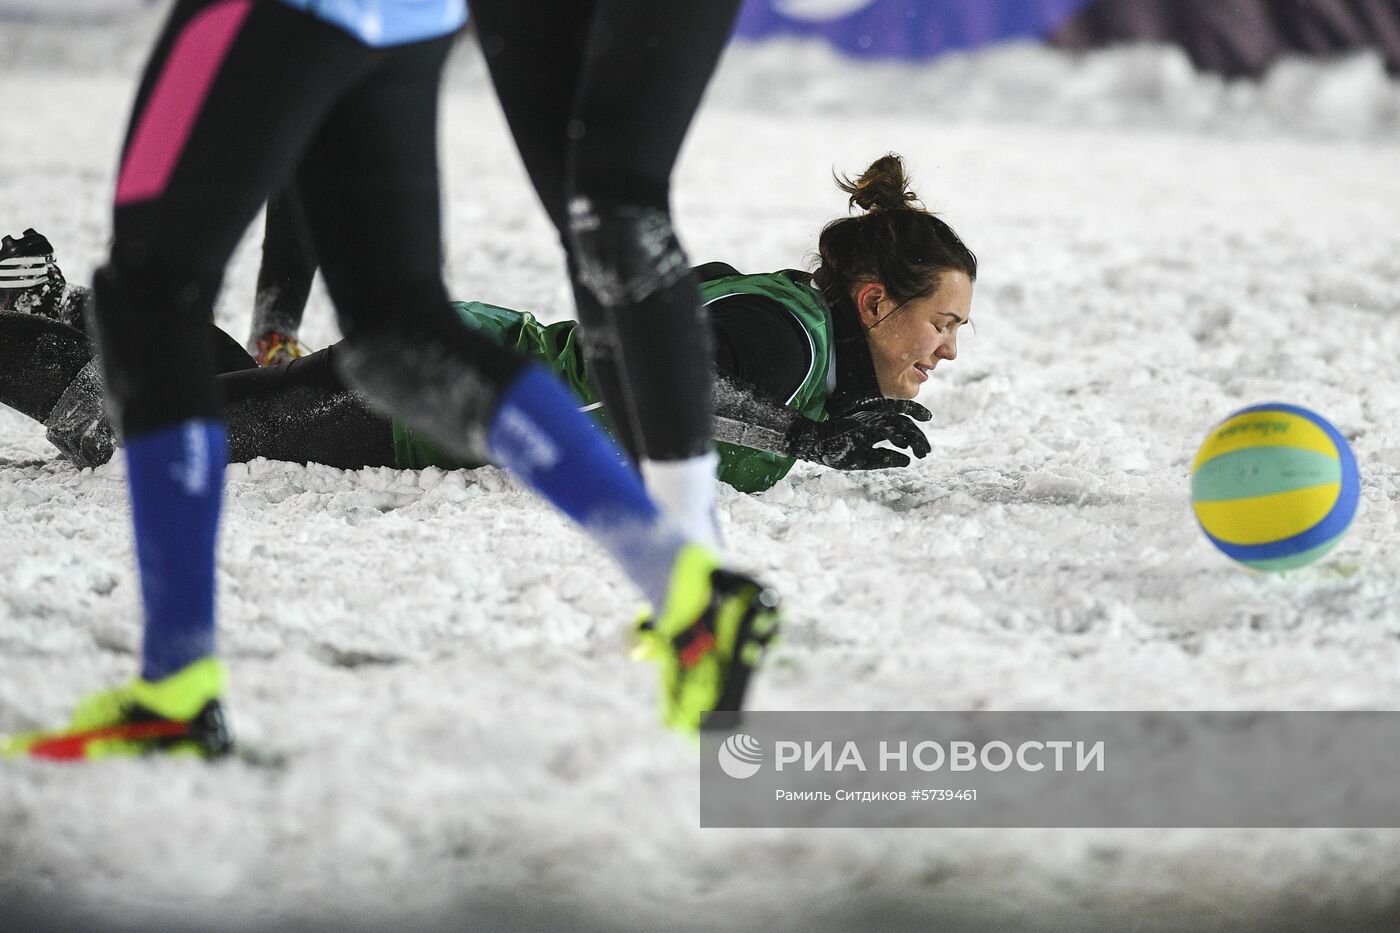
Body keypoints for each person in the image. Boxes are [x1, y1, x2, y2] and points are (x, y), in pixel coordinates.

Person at [2, 0, 779, 761]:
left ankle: (174, 694)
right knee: (403, 334)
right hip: (411, 16)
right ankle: (687, 588)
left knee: (147, 297)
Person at [1, 156, 976, 494]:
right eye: (941, 322)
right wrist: (804, 436)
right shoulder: (791, 337)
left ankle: (64, 312)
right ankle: (20, 325)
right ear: (872, 302)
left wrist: (811, 436)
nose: (946, 351)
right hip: (438, 393)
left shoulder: (798, 334)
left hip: (449, 374)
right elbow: (645, 388)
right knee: (141, 439)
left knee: (211, 411)